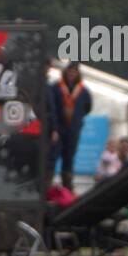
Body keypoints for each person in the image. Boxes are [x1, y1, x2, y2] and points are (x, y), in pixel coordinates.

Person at [46, 61, 92, 191]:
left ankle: (67, 187)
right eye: (70, 71)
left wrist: (77, 118)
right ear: (65, 72)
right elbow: (51, 109)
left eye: (75, 72)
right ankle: (46, 186)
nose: (72, 74)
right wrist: (54, 128)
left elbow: (88, 108)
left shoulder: (83, 91)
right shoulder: (55, 87)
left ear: (78, 74)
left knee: (69, 158)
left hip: (73, 130)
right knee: (52, 157)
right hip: (58, 129)